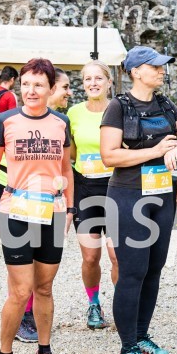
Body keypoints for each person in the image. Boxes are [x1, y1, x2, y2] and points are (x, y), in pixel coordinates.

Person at [100, 46, 177, 354]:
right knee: (131, 271)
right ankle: (127, 346)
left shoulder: (165, 103)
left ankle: (142, 335)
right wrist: (157, 149)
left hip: (161, 197)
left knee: (154, 269)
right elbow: (110, 156)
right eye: (153, 66)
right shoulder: (118, 106)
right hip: (127, 197)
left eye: (161, 66)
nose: (160, 71)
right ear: (135, 71)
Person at [0, 58, 75, 354]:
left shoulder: (61, 123)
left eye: (39, 84)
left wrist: (70, 210)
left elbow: (66, 169)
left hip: (51, 211)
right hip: (15, 211)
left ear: (51, 89)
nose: (31, 90)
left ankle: (43, 353)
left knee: (45, 287)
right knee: (21, 291)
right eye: (26, 84)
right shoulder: (5, 121)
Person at [67, 60, 118, 329]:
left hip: (116, 188)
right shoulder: (73, 114)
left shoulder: (120, 109)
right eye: (88, 79)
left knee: (117, 256)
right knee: (90, 257)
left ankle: (122, 307)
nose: (93, 83)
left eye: (99, 78)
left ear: (109, 82)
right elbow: (71, 153)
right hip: (85, 189)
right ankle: (94, 304)